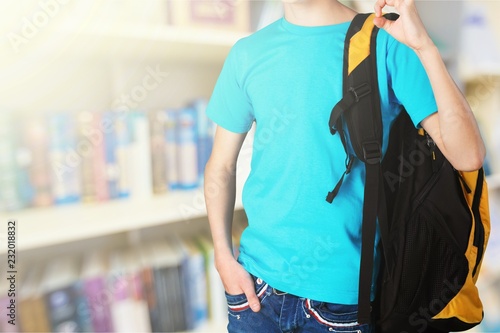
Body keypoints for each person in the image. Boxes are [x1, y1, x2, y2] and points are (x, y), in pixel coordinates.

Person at [203, 0, 486, 332]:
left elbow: (467, 155)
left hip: (343, 304)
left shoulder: (384, 40)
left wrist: (423, 46)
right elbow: (220, 167)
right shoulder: (247, 54)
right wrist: (222, 256)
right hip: (256, 291)